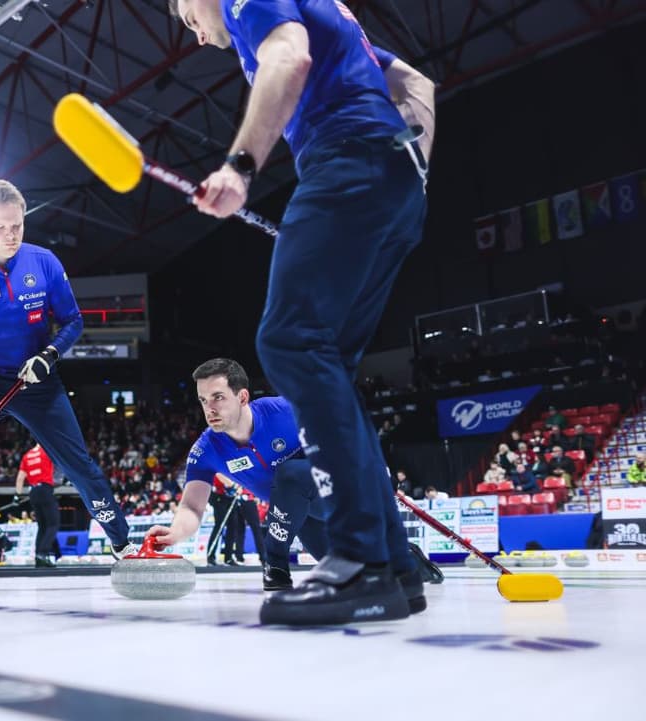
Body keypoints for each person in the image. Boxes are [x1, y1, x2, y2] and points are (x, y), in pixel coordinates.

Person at [171, 0, 434, 624]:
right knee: (329, 371)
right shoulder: (325, 7)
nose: (197, 34)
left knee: (288, 342)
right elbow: (416, 85)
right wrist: (414, 171)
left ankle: (361, 561)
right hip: (395, 178)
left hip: (344, 160)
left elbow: (288, 56)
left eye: (186, 17)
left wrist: (239, 167)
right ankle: (393, 568)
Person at [0, 180, 136, 594]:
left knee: (77, 463)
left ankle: (123, 544)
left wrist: (50, 355)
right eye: (1, 227)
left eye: (18, 225)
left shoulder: (44, 262)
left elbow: (73, 321)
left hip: (37, 378)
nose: (11, 235)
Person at [148, 358, 428, 610]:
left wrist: (380, 473)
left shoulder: (285, 410)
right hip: (298, 514)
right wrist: (174, 532)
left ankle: (275, 563)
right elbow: (192, 507)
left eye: (218, 397)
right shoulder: (205, 449)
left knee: (290, 473)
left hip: (335, 494)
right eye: (203, 400)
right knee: (346, 566)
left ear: (242, 396)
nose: (209, 408)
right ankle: (402, 555)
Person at [14, 442, 60, 568]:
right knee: (53, 524)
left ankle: (39, 558)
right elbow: (61, 463)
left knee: (42, 526)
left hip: (33, 492)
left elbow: (20, 478)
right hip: (45, 489)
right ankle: (42, 554)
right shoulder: (47, 451)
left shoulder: (27, 455)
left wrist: (17, 496)